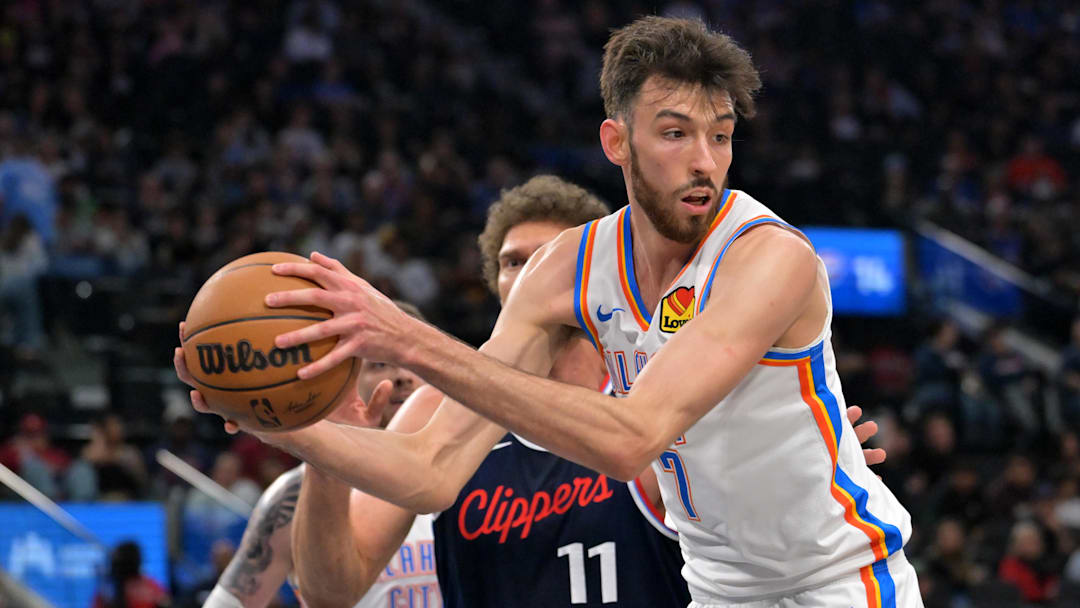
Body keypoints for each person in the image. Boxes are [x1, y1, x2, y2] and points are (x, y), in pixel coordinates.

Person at [187, 16, 918, 607]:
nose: (705, 160)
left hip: (840, 582)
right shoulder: (568, 269)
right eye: (675, 133)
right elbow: (432, 468)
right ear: (617, 142)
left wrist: (406, 337)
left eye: (720, 135)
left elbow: (632, 438)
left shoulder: (770, 257)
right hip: (721, 591)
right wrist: (286, 423)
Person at [199, 300, 433, 608]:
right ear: (344, 379)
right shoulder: (293, 494)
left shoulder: (472, 470)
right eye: (380, 363)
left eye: (411, 361)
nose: (402, 376)